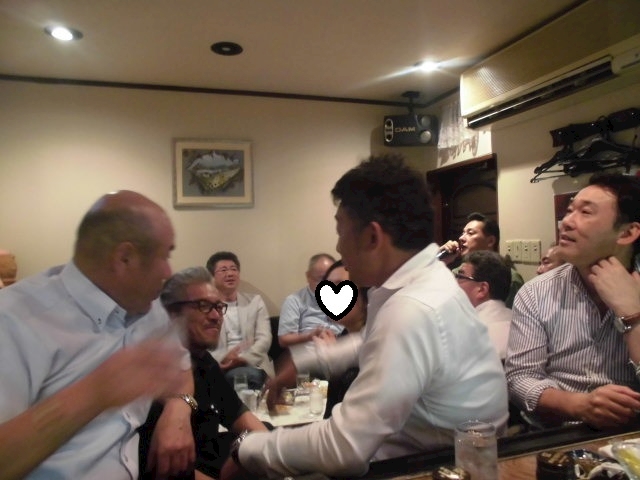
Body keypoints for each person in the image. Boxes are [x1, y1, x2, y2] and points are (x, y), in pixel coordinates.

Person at [220, 154, 508, 479]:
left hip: (429, 468)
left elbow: (343, 448)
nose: (338, 247)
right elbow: (374, 341)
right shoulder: (429, 281)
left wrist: (247, 448)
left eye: (340, 230)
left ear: (372, 237)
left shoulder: (412, 309)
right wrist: (306, 360)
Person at [0, 190, 195, 480]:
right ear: (124, 258)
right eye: (165, 255)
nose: (169, 271)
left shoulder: (148, 307)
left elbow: (181, 369)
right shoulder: (14, 319)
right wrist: (94, 393)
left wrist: (178, 409)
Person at [505, 173, 640, 429]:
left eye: (585, 212)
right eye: (569, 211)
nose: (566, 222)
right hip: (554, 435)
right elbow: (520, 378)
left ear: (627, 232)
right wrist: (579, 405)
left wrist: (633, 314)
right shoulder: (536, 292)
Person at [139, 266, 268, 480]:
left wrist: (272, 452)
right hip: (177, 473)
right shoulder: (153, 369)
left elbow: (237, 414)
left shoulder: (204, 361)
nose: (216, 316)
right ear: (171, 313)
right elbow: (164, 468)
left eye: (218, 306)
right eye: (204, 306)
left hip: (211, 462)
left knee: (259, 437)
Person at [205, 251, 273, 390]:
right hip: (221, 366)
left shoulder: (255, 302)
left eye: (234, 269)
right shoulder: (206, 307)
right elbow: (202, 344)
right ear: (212, 277)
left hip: (254, 363)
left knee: (245, 375)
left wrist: (244, 358)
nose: (230, 274)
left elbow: (264, 338)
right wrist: (224, 358)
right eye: (223, 270)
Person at [438, 211, 524, 307]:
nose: (461, 238)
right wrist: (440, 260)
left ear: (490, 241)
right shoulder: (457, 272)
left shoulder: (510, 278)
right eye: (463, 233)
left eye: (470, 233)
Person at [277, 253, 344, 348]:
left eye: (330, 279)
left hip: (343, 348)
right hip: (310, 349)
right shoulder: (294, 301)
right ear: (308, 276)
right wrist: (309, 336)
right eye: (321, 279)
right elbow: (284, 340)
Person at [455, 250, 512, 360]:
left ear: (482, 289)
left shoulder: (467, 335)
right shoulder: (522, 324)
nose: (455, 283)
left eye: (460, 276)